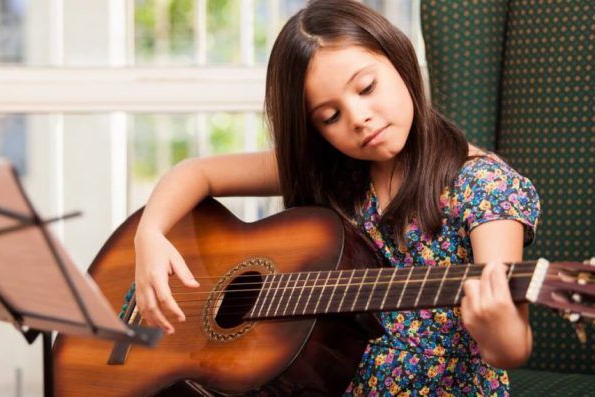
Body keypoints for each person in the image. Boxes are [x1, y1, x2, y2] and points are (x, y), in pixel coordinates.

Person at [132, 0, 540, 395]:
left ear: (399, 61)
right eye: (330, 117)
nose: (358, 118)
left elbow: (511, 347)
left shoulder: (485, 187)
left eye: (366, 87)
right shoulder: (332, 169)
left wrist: (500, 331)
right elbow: (194, 173)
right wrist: (149, 234)